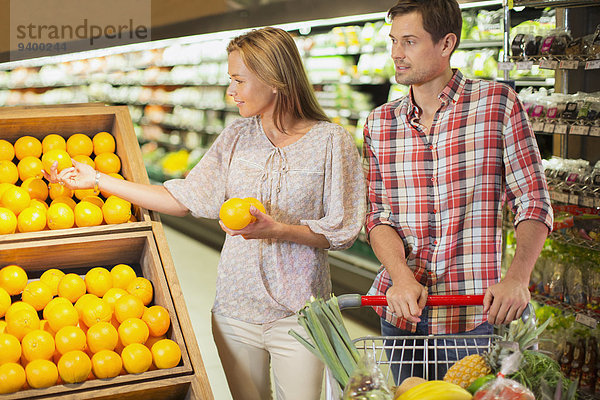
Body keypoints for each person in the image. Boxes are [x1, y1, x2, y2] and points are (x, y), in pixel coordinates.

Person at [46, 27, 366, 400]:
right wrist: (97, 179)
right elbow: (182, 198)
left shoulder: (331, 141)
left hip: (301, 313)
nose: (231, 92)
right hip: (235, 310)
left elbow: (341, 230)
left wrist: (279, 230)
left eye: (238, 81)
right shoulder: (235, 137)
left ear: (275, 79)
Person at [363, 0, 553, 382]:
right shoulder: (380, 123)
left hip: (472, 317)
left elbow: (533, 201)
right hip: (402, 315)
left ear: (446, 43)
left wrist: (517, 278)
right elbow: (377, 216)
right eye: (393, 41)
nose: (396, 54)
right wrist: (400, 277)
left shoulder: (497, 105)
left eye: (410, 41)